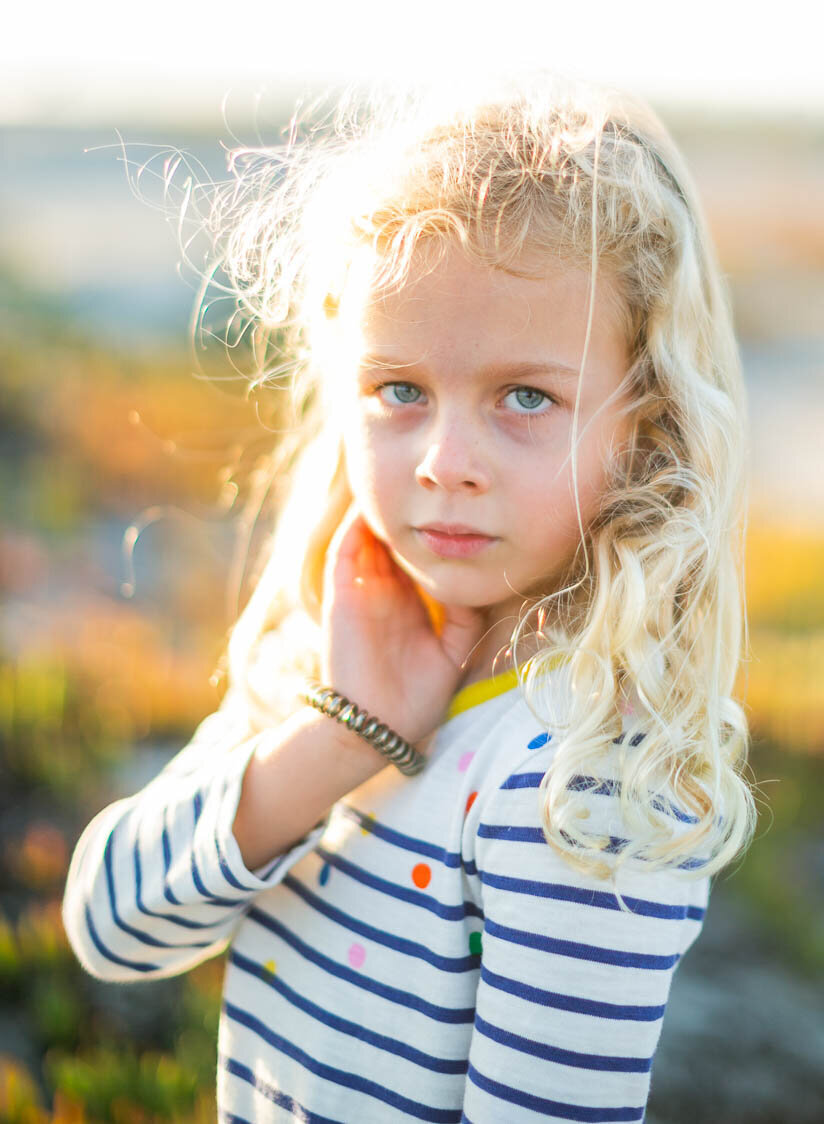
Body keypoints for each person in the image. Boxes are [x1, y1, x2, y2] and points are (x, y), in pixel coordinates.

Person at [63, 74, 757, 1122]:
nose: (444, 463)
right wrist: (346, 735)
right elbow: (111, 928)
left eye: (526, 397)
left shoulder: (581, 786)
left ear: (645, 424)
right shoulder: (334, 655)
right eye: (400, 391)